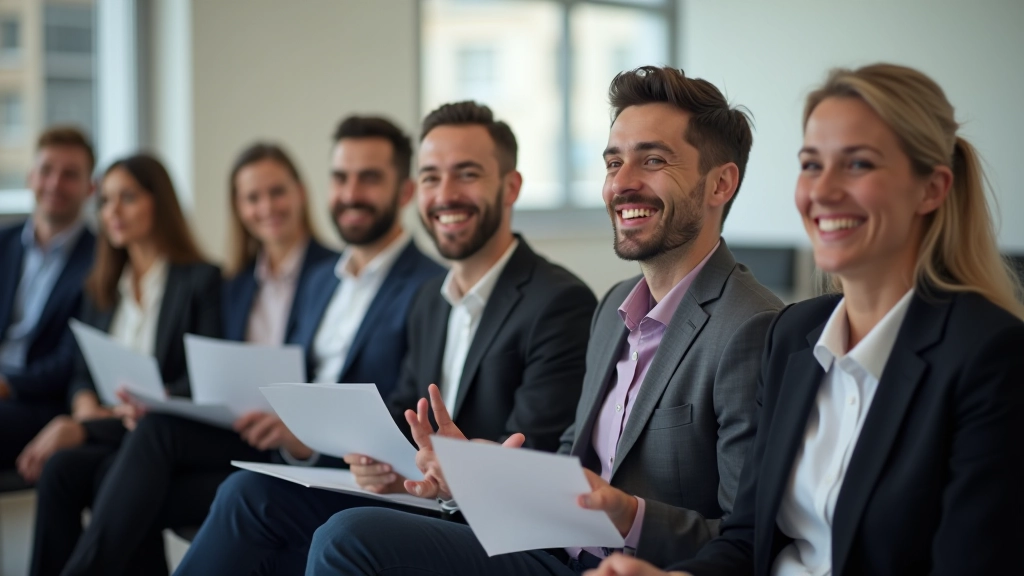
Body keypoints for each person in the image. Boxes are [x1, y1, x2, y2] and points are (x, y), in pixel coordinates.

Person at [304, 66, 784, 575]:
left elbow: (745, 541)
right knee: (324, 523)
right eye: (613, 162)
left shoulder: (753, 326)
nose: (621, 184)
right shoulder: (614, 307)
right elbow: (569, 469)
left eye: (653, 160)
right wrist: (486, 473)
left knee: (349, 538)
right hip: (547, 549)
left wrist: (629, 515)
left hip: (624, 567)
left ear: (720, 184)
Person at [588, 64, 1024, 576]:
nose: (824, 190)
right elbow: (746, 541)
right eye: (812, 165)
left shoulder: (993, 357)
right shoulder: (796, 336)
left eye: (858, 164)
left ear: (931, 189)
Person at [174, 102, 596, 575]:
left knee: (345, 535)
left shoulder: (558, 302)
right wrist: (385, 464)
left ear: (510, 187)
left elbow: (536, 459)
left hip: (505, 533)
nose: (445, 195)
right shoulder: (430, 303)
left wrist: (457, 473)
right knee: (248, 494)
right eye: (432, 177)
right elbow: (400, 419)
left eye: (467, 174)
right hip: (430, 504)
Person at [50, 143, 339, 575]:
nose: (266, 207)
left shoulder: (334, 274)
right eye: (252, 198)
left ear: (300, 192)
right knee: (91, 472)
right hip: (231, 428)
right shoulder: (237, 282)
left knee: (142, 451)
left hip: (289, 441)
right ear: (238, 208)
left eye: (277, 192)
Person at [19, 153, 222, 576]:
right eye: (106, 200)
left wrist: (88, 426)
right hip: (111, 429)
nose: (112, 212)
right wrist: (83, 406)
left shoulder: (200, 280)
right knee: (60, 470)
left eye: (126, 198)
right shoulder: (102, 284)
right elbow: (80, 372)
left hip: (156, 432)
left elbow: (203, 379)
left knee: (99, 474)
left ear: (158, 203)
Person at [0, 127, 96, 471]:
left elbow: (73, 358)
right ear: (30, 177)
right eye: (46, 171)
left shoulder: (100, 261)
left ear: (90, 188)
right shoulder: (4, 243)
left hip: (39, 401)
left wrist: (7, 386)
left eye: (70, 175)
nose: (55, 184)